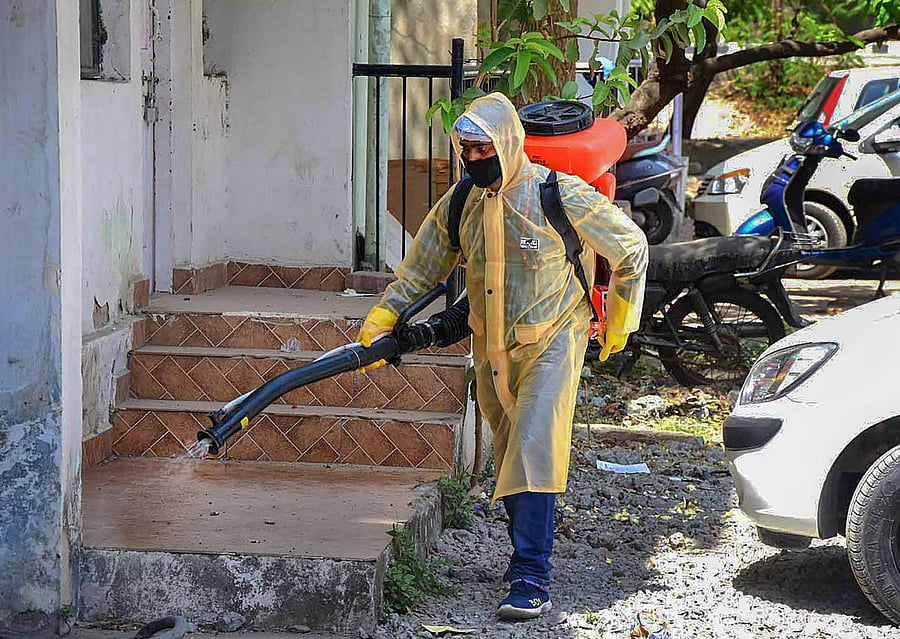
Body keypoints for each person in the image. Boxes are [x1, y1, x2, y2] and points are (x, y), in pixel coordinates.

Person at [357, 92, 648, 620]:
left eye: (482, 148)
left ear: (508, 144)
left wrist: (621, 318)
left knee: (533, 445)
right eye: (465, 149)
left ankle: (532, 576)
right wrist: (382, 318)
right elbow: (421, 268)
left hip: (556, 337)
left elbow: (630, 247)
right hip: (492, 347)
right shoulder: (462, 202)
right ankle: (524, 559)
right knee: (513, 448)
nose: (473, 159)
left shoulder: (558, 194)